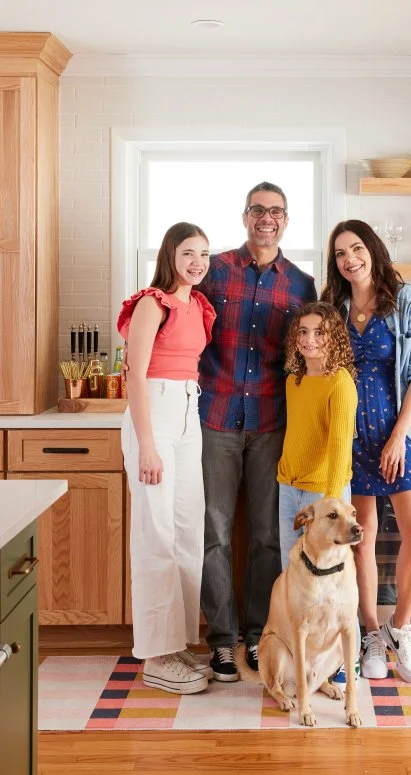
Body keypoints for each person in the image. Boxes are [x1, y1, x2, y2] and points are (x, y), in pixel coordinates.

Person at [199, 182, 317, 681]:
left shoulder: (302, 285)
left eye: (276, 212)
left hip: (274, 423)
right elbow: (186, 331)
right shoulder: (215, 270)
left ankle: (258, 634)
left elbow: (311, 351)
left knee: (268, 537)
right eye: (257, 210)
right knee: (215, 534)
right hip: (216, 418)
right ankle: (222, 641)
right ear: (245, 216)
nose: (266, 218)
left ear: (286, 221)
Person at [321, 219, 411, 685]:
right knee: (360, 537)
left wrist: (397, 437)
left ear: (373, 249)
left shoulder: (407, 301)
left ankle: (400, 628)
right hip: (349, 439)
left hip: (397, 435)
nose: (350, 259)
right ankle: (369, 634)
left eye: (357, 248)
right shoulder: (334, 307)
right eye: (341, 253)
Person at [117, 222, 216, 694]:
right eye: (188, 253)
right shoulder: (150, 303)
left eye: (204, 254)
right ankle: (155, 657)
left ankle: (177, 643)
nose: (197, 261)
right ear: (170, 256)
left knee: (187, 530)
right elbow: (134, 376)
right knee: (156, 533)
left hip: (187, 412)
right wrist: (147, 444)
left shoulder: (196, 304)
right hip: (152, 414)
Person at [277, 300, 358, 568]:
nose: (308, 338)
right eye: (302, 331)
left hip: (324, 493)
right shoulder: (294, 381)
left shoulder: (340, 383)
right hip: (289, 488)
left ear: (333, 338)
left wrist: (331, 504)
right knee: (292, 569)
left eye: (319, 332)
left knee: (328, 572)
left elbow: (340, 446)